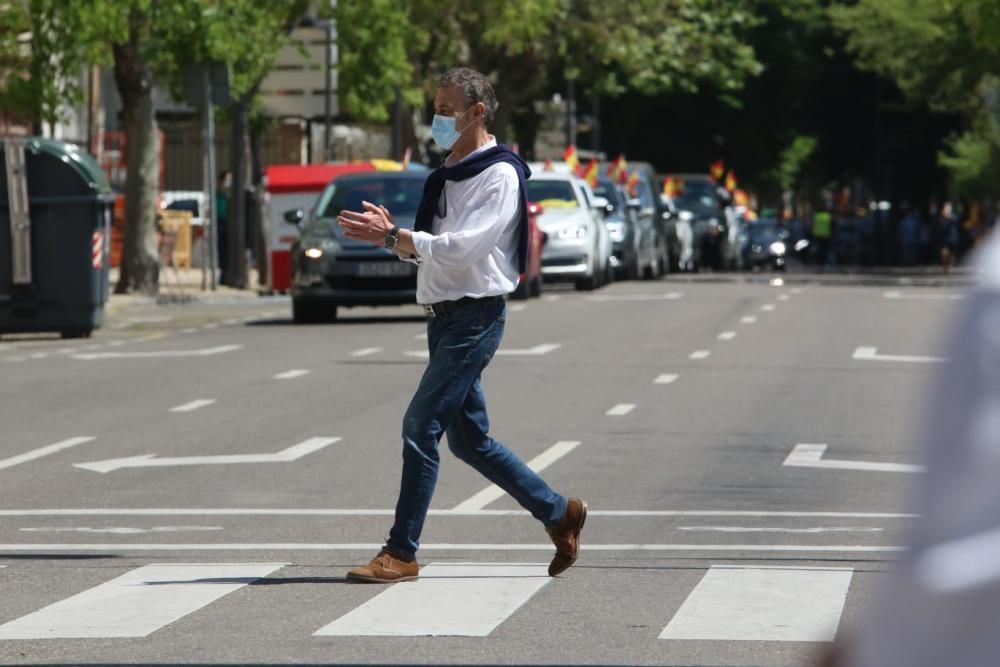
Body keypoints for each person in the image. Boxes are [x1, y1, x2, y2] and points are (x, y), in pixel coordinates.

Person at [336, 67, 586, 583]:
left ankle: (401, 552)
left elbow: (465, 249)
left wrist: (396, 238)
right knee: (469, 441)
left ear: (478, 113)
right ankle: (559, 512)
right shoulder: (449, 172)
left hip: (474, 316)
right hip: (445, 317)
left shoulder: (499, 174)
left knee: (420, 426)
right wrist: (395, 241)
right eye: (437, 108)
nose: (438, 119)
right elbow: (437, 254)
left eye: (448, 110)